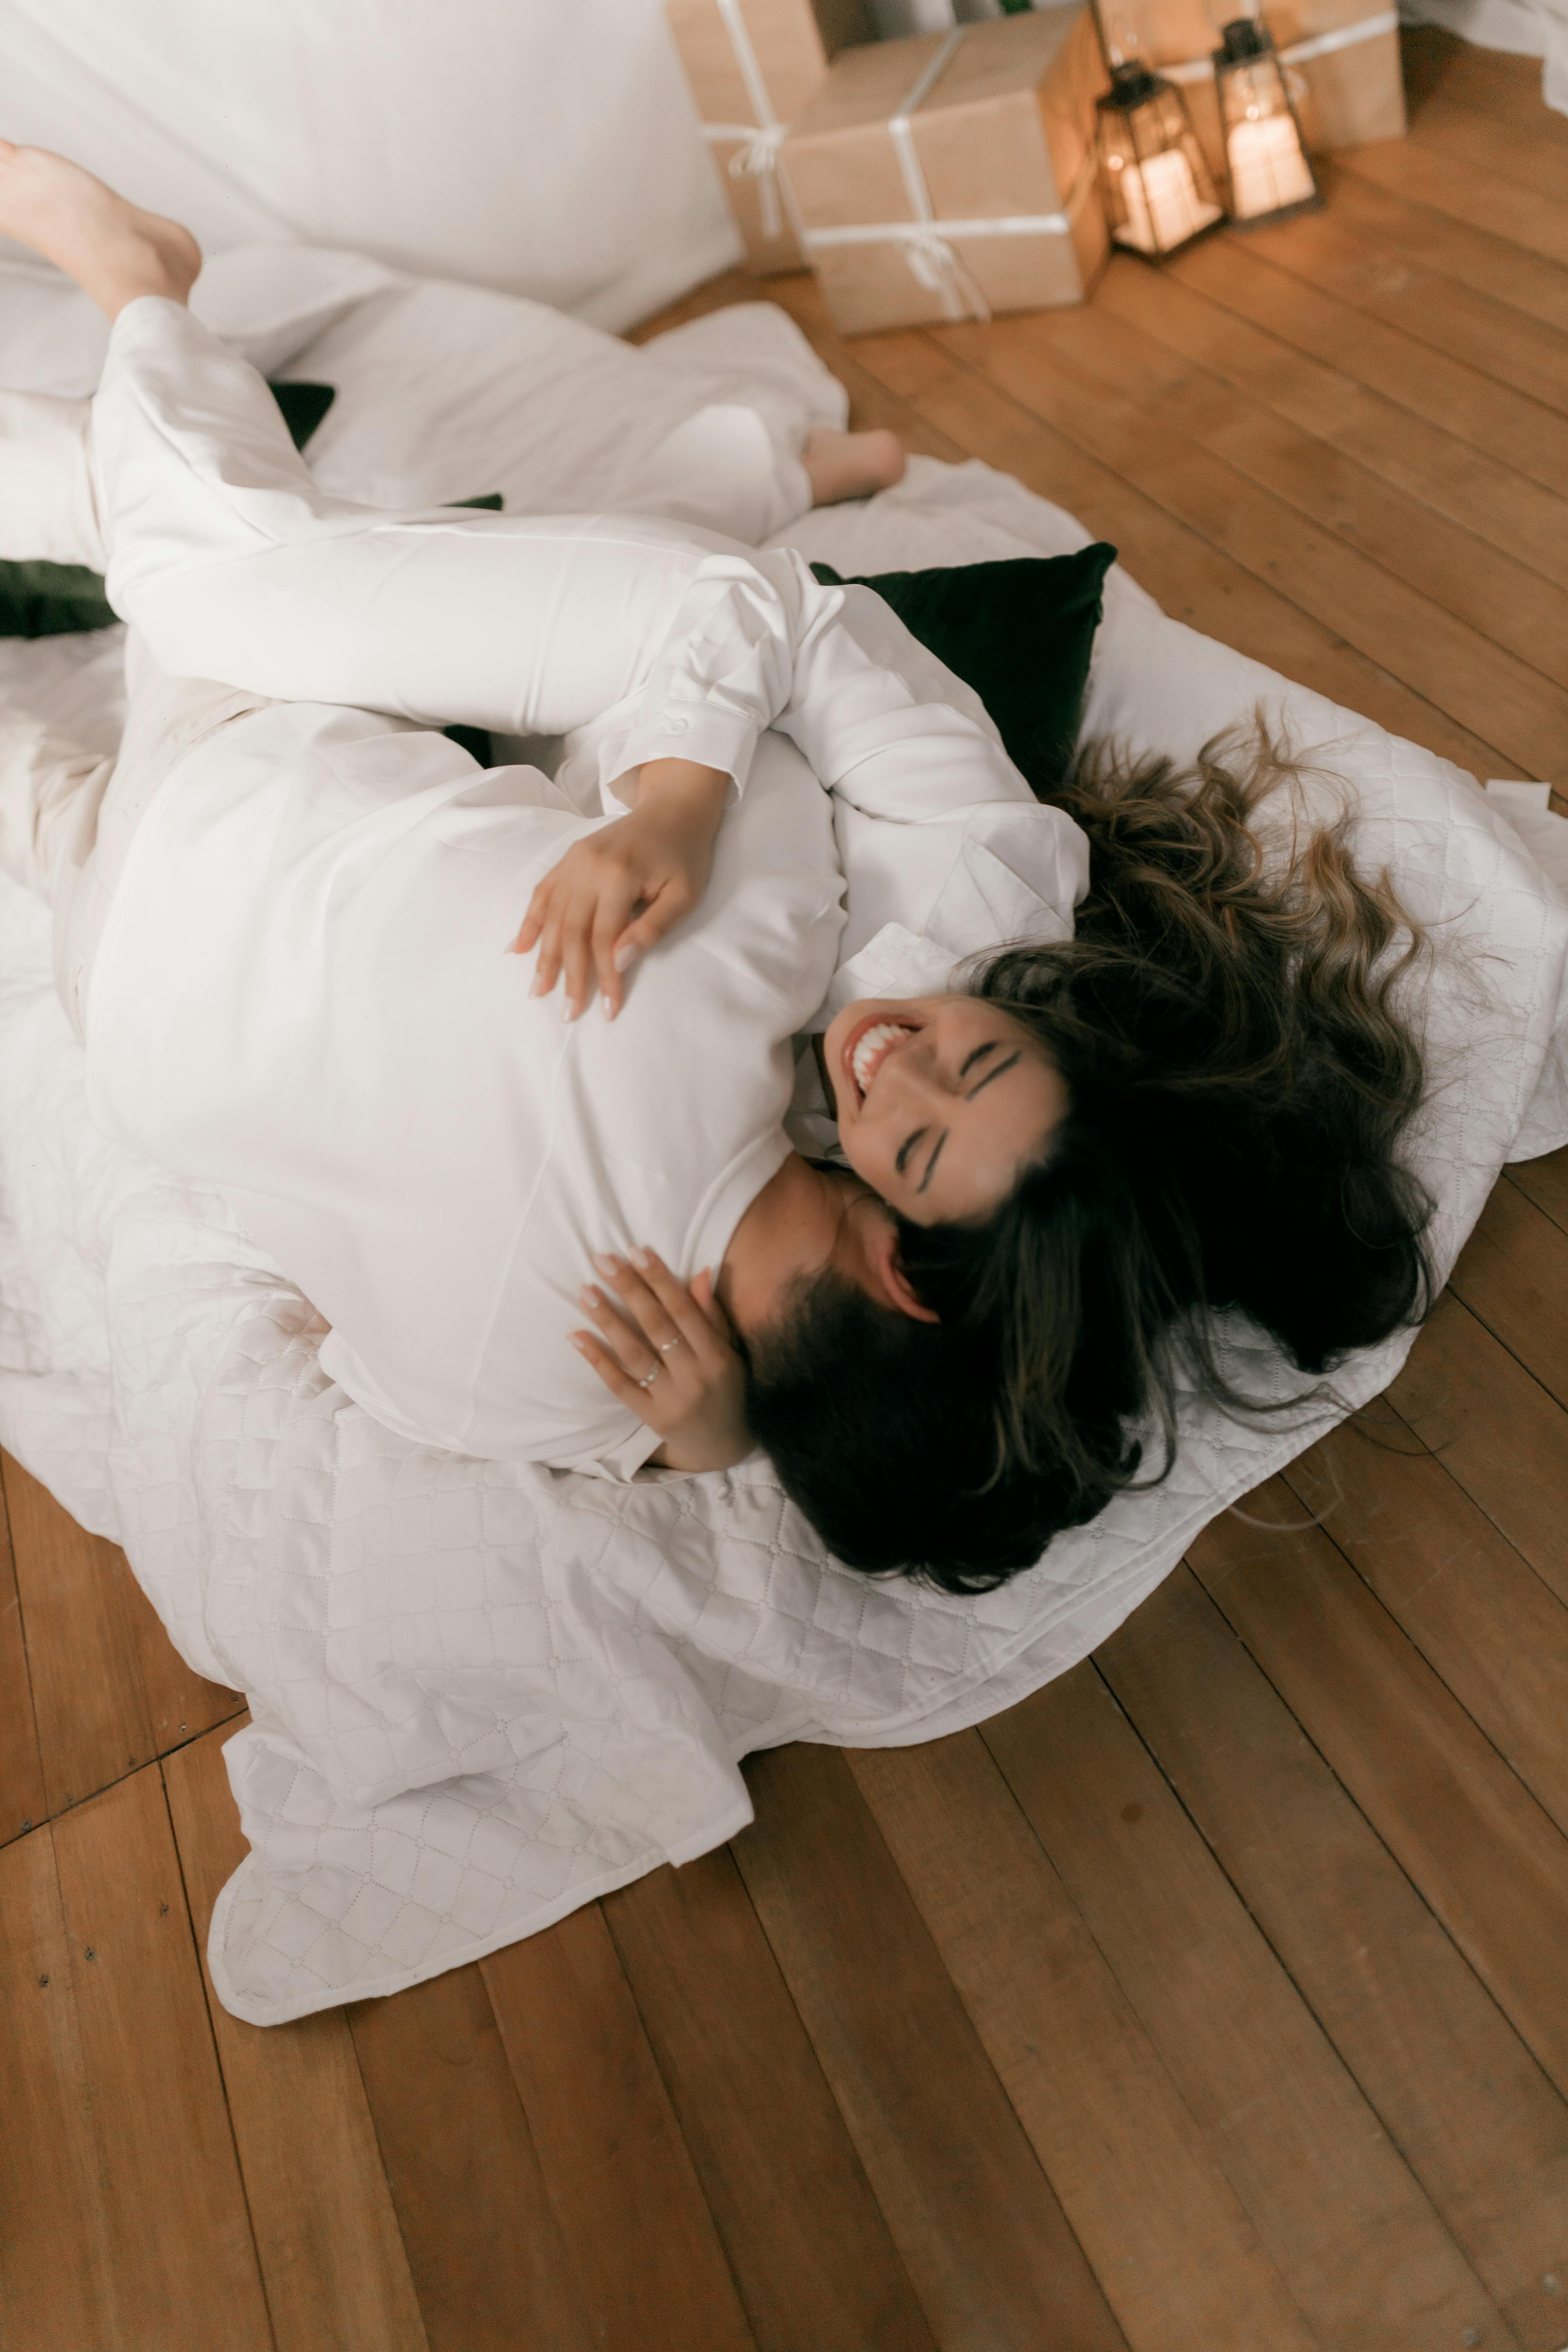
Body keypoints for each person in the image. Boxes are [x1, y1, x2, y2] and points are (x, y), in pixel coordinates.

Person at [0, 146, 1434, 1591]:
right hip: (586, 706)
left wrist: (713, 1433)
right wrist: (683, 800)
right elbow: (786, 630)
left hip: (301, 821)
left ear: (910, 1265)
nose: (894, 1070)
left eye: (917, 1157)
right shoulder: (963, 893)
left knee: (197, 578)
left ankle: (700, 470)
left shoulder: (731, 1077)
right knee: (218, 587)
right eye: (982, 1063)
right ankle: (143, 284)